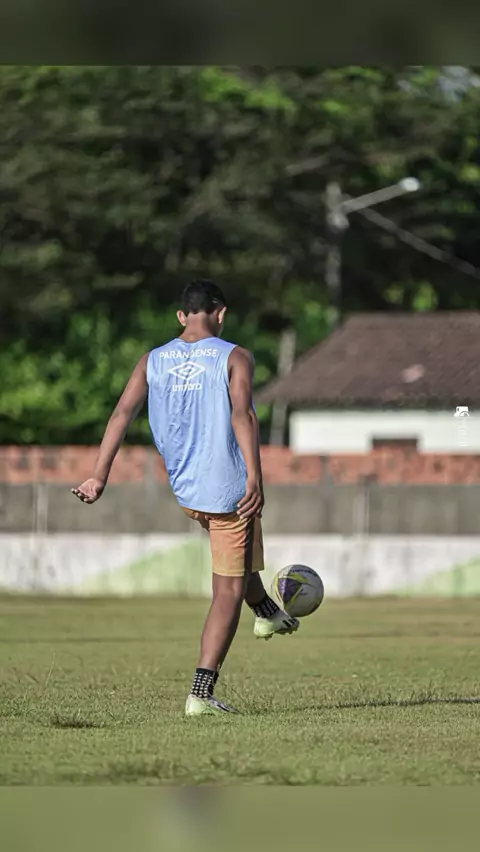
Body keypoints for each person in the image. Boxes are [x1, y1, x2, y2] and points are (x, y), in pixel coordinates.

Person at [72, 279, 299, 716]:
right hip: (228, 490)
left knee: (236, 562)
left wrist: (98, 477)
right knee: (227, 591)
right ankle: (201, 693)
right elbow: (243, 415)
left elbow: (121, 413)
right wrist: (255, 477)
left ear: (181, 316)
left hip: (188, 491)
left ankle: (268, 611)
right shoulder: (235, 356)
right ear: (221, 313)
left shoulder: (152, 359)